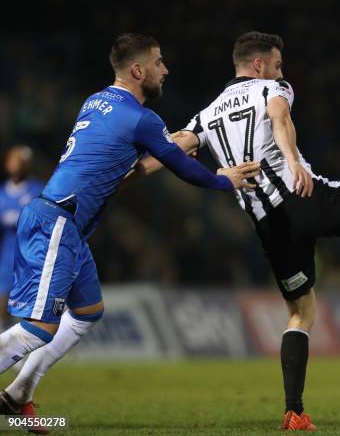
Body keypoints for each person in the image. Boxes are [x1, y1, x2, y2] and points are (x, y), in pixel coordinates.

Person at [0, 33, 259, 428]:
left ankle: (18, 394)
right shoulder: (142, 118)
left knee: (87, 312)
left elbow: (128, 170)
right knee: (38, 329)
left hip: (67, 226)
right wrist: (223, 180)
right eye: (159, 62)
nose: (165, 69)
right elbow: (182, 167)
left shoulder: (97, 102)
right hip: (56, 222)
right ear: (138, 70)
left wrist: (168, 151)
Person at [171, 31, 340, 431]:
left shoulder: (206, 115)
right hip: (303, 197)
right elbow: (279, 116)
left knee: (300, 311)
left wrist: (129, 166)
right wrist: (292, 161)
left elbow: (172, 148)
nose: (281, 70)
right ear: (259, 65)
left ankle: (295, 412)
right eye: (277, 63)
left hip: (267, 225)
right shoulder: (273, 87)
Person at [0, 146, 43, 329]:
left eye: (19, 161)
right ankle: (4, 333)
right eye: (12, 160)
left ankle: (31, 337)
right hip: (9, 251)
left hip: (31, 251)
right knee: (3, 293)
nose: (15, 165)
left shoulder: (37, 189)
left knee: (32, 298)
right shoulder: (2, 191)